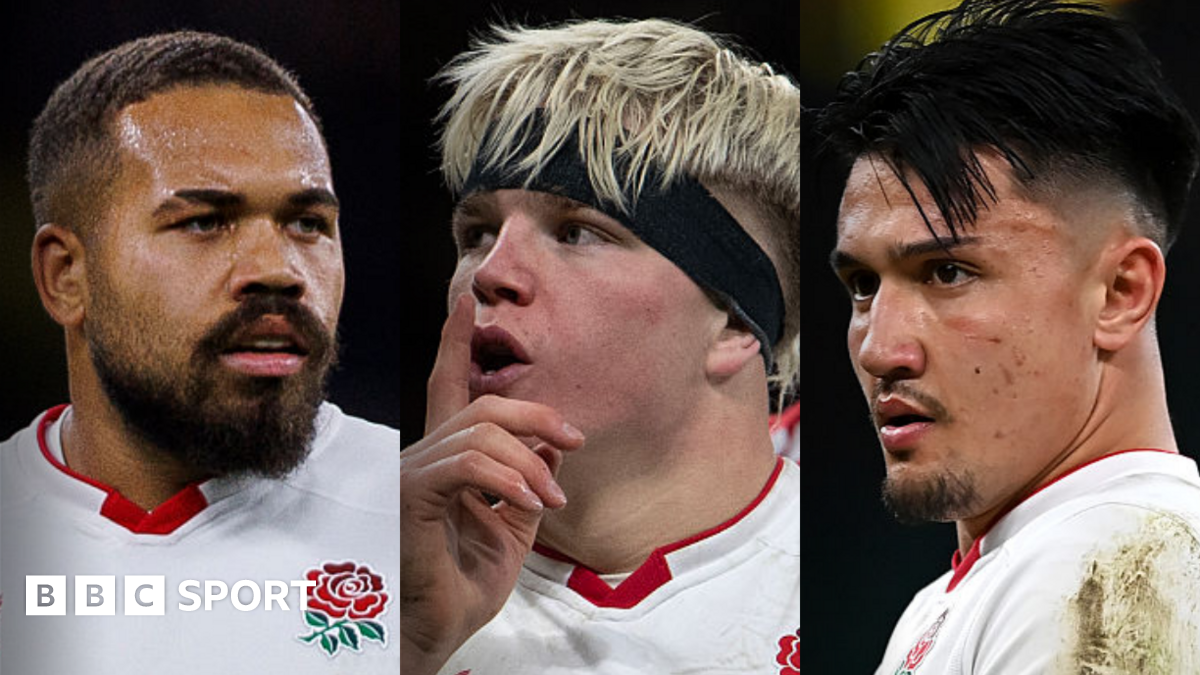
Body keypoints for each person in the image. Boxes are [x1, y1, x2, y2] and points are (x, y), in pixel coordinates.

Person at [400, 18, 800, 674]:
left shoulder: (891, 614)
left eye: (578, 232)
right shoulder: (357, 585)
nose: (491, 271)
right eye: (476, 233)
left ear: (731, 322)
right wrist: (408, 644)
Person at [818, 0, 1200, 672]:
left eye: (946, 272)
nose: (881, 349)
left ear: (1121, 293)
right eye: (863, 285)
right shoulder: (986, 583)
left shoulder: (1108, 572)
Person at [1, 31, 398, 673]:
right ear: (66, 276)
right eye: (205, 222)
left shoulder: (433, 524)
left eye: (308, 223)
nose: (279, 270)